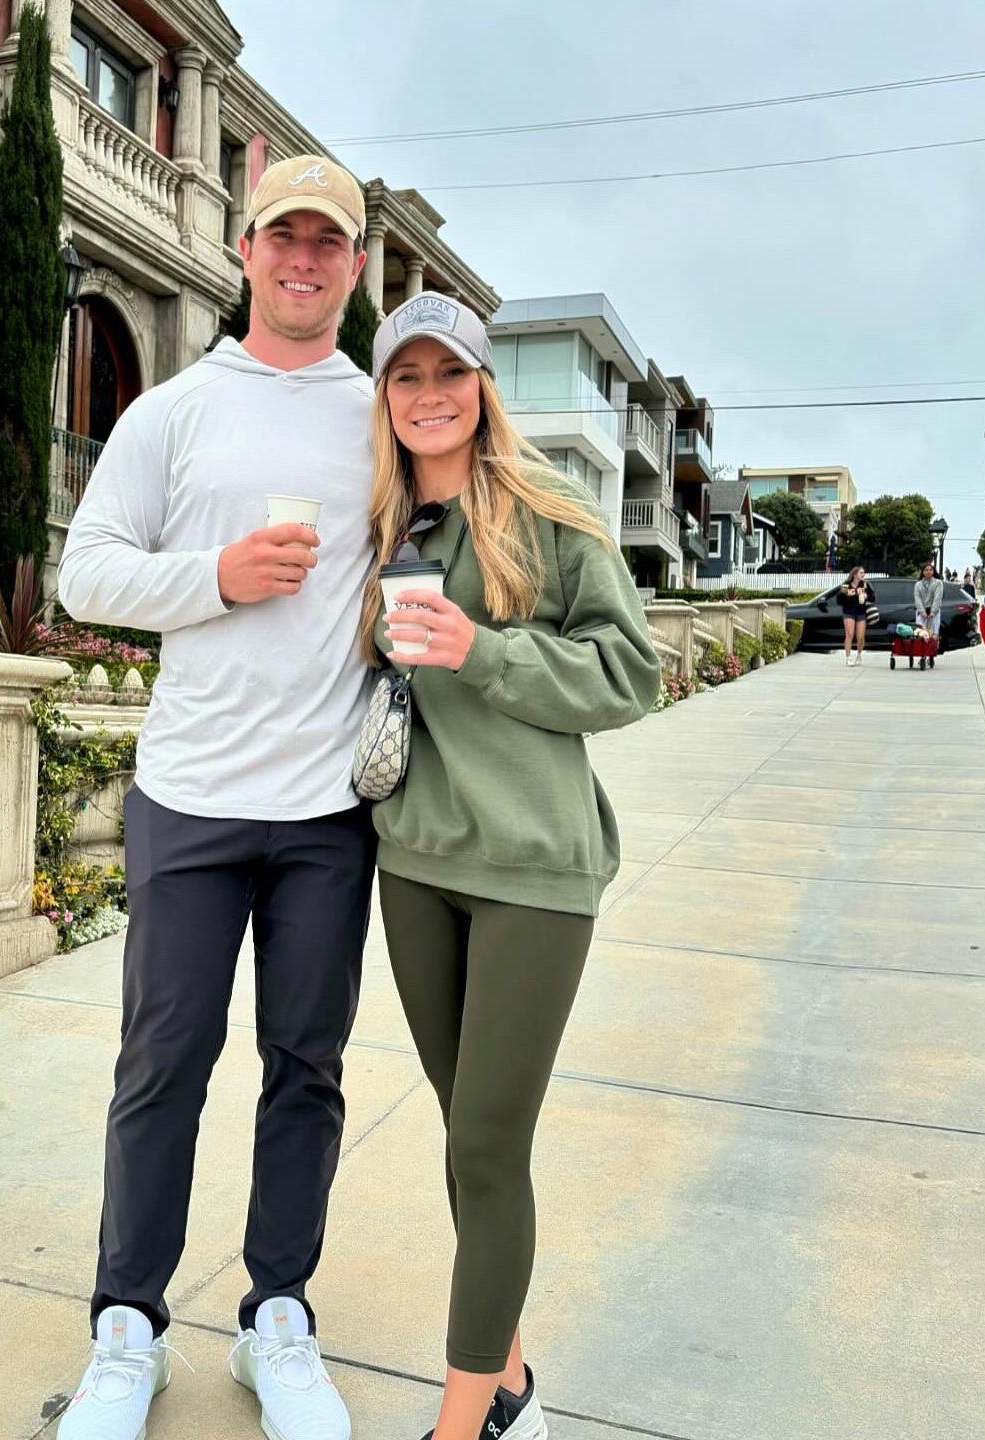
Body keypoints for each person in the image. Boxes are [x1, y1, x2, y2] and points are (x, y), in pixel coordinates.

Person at [55, 155, 376, 1440]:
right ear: (245, 250)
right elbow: (86, 574)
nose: (303, 259)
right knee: (163, 1064)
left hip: (330, 809)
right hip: (190, 795)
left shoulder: (383, 418)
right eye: (283, 236)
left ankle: (276, 1319)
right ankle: (126, 1329)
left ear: (356, 265)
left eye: (328, 242)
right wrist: (218, 577)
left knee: (307, 1067)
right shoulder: (176, 411)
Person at [361, 295, 662, 1440]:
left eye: (451, 372)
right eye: (406, 376)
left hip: (533, 871)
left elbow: (629, 675)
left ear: (483, 386)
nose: (429, 395)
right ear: (385, 398)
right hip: (415, 865)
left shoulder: (549, 511)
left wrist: (481, 651)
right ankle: (511, 1392)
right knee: (466, 1142)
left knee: (489, 1145)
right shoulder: (383, 522)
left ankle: (459, 1428)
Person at [838, 565, 874, 666]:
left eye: (863, 573)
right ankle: (848, 657)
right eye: (861, 573)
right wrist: (844, 594)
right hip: (848, 612)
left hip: (861, 612)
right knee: (849, 634)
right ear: (855, 574)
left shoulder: (865, 585)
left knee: (861, 636)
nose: (863, 574)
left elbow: (873, 597)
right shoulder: (846, 585)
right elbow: (839, 600)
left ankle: (859, 654)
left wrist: (867, 596)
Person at [913, 562, 942, 669]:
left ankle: (931, 655)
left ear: (933, 571)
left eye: (930, 570)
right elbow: (917, 598)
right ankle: (923, 656)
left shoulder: (938, 583)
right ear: (923, 572)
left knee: (933, 634)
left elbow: (937, 598)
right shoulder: (918, 585)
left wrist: (933, 611)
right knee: (922, 633)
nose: (928, 572)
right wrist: (922, 612)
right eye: (926, 570)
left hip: (934, 612)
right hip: (922, 612)